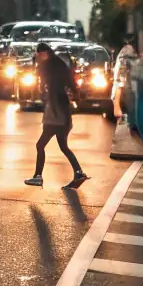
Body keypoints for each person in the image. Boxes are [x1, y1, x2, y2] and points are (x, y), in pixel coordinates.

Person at [24, 41, 88, 189]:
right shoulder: (58, 65)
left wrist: (50, 103)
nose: (37, 57)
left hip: (56, 113)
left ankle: (38, 176)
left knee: (41, 145)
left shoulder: (49, 67)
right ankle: (78, 172)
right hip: (61, 112)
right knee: (63, 146)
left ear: (44, 54)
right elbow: (70, 84)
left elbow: (52, 89)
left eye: (38, 54)